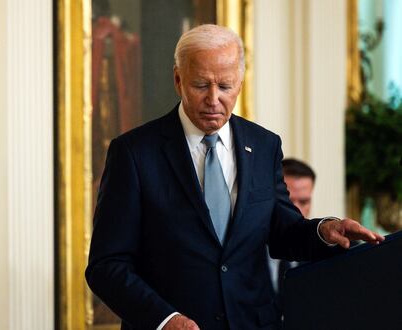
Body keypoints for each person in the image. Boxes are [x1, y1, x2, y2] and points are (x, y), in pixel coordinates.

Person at [85, 24, 384, 330]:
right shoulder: (134, 153)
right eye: (201, 85)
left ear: (240, 83)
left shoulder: (265, 145)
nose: (213, 99)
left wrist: (324, 230)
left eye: (225, 87)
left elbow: (282, 231)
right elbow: (105, 266)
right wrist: (164, 320)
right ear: (178, 79)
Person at [268, 158, 317, 294]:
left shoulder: (318, 253)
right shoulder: (244, 249)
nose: (295, 210)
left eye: (303, 201)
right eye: (288, 201)